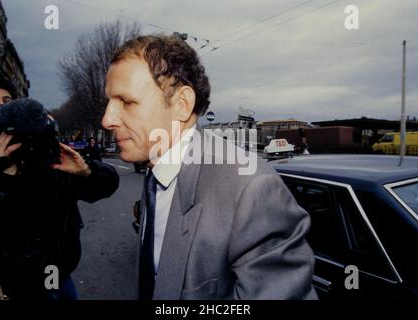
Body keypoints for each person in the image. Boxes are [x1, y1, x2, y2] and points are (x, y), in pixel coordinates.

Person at [102, 34, 317, 300]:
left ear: (181, 105)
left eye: (127, 101)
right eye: (109, 102)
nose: (107, 119)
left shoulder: (252, 190)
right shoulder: (155, 172)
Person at [0, 99, 120, 300]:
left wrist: (87, 171)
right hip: (16, 285)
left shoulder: (56, 165)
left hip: (59, 274)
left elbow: (106, 186)